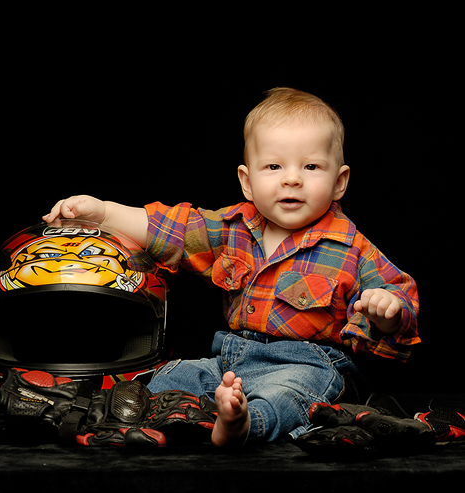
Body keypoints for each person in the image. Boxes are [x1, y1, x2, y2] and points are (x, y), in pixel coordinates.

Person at [43, 87, 420, 447]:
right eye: (273, 166)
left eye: (311, 166)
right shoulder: (233, 229)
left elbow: (397, 295)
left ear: (339, 182)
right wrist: (104, 212)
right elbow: (173, 229)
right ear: (248, 181)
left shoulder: (352, 248)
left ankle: (242, 423)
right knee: (177, 375)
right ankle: (131, 417)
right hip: (232, 359)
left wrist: (388, 312)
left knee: (291, 394)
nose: (292, 177)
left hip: (309, 363)